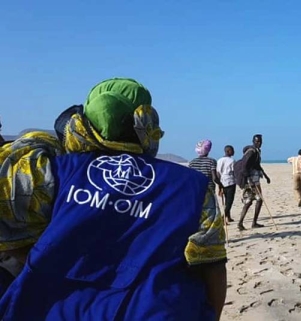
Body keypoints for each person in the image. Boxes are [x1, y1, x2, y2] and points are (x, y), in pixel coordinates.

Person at [0, 78, 227, 320]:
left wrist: (44, 263)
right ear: (147, 120)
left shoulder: (51, 171)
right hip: (157, 310)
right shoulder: (193, 186)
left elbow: (9, 227)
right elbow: (212, 263)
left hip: (51, 308)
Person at [235, 134, 271, 231]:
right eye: (257, 141)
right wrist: (250, 181)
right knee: (253, 200)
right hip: (250, 180)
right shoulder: (251, 152)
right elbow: (244, 167)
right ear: (253, 141)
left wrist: (266, 176)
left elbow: (257, 165)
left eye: (260, 141)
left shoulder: (256, 151)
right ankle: (243, 223)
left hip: (254, 178)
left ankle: (250, 222)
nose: (259, 143)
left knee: (254, 200)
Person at [217, 145, 236, 223]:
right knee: (229, 201)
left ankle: (228, 217)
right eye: (232, 150)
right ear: (228, 151)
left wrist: (219, 186)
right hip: (230, 182)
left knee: (226, 200)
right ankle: (223, 216)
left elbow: (218, 173)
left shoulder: (219, 160)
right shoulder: (232, 161)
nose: (234, 152)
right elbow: (234, 172)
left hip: (222, 182)